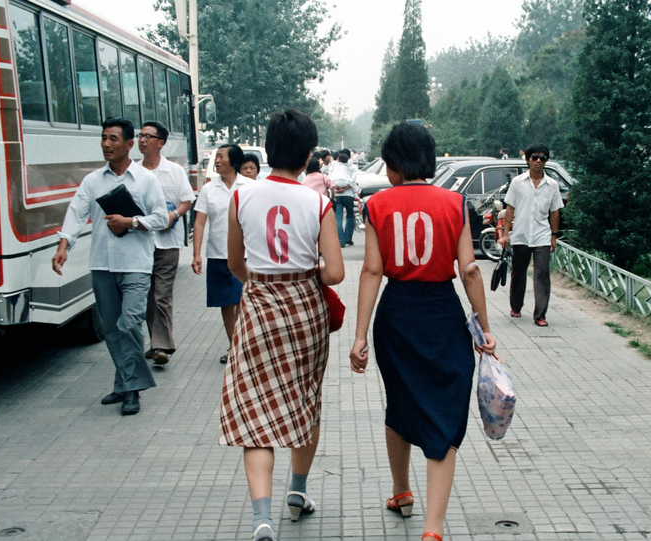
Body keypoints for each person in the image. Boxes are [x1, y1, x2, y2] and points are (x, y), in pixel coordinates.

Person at [349, 122, 497, 541]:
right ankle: (433, 530)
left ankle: (401, 491)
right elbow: (469, 269)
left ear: (394, 162)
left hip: (396, 314)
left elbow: (372, 270)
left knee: (400, 402)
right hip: (443, 313)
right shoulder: (455, 202)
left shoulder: (376, 205)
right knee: (443, 413)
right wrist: (484, 329)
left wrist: (359, 337)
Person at [221, 109, 344, 541]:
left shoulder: (242, 196)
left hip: (257, 304)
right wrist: (303, 273)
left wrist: (261, 281)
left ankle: (261, 517)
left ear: (268, 150)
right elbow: (335, 272)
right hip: (304, 307)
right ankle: (298, 490)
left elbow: (235, 262)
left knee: (256, 405)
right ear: (309, 154)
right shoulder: (318, 200)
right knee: (303, 398)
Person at [51, 117, 169, 416]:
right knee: (112, 331)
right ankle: (123, 382)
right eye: (104, 137)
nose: (106, 143)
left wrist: (130, 222)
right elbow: (76, 213)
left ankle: (131, 389)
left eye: (113, 139)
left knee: (129, 324)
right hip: (102, 264)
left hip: (137, 265)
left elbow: (160, 218)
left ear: (129, 144)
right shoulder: (93, 180)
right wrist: (64, 245)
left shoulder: (146, 179)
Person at [137, 121, 194, 366]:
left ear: (160, 143)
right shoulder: (134, 172)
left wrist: (174, 215)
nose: (142, 140)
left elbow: (186, 200)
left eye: (148, 136)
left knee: (161, 293)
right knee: (148, 295)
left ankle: (161, 345)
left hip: (168, 242)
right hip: (140, 242)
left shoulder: (174, 171)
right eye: (140, 135)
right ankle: (156, 342)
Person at [192, 144, 253, 363]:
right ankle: (234, 347)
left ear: (234, 161)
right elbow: (200, 222)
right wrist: (196, 253)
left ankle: (244, 344)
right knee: (227, 302)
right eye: (215, 157)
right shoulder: (209, 189)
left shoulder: (249, 186)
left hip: (247, 255)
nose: (216, 161)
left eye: (220, 157)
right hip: (218, 254)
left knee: (243, 300)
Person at [499, 143, 564, 326]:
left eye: (542, 158)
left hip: (542, 235)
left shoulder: (552, 185)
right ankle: (516, 305)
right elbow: (510, 209)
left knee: (542, 274)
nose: (538, 161)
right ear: (528, 160)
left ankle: (540, 315)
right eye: (534, 157)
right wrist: (505, 234)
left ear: (546, 161)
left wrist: (553, 236)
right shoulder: (518, 182)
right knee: (519, 272)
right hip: (520, 234)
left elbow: (555, 212)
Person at [330, 152, 357, 247]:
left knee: (338, 217)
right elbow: (353, 180)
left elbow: (331, 178)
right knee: (350, 215)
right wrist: (345, 188)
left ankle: (341, 241)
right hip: (348, 194)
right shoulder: (352, 167)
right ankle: (348, 238)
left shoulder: (333, 166)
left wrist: (337, 188)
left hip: (336, 195)